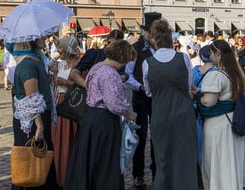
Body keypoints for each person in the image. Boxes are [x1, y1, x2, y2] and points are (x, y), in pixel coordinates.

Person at [65, 39, 138, 189]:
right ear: (121, 58)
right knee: (105, 162)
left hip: (90, 118)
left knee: (91, 160)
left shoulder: (97, 67)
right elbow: (114, 104)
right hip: (103, 121)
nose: (124, 65)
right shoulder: (110, 74)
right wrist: (129, 113)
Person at [143, 18, 197, 190]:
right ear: (170, 38)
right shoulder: (184, 58)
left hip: (160, 115)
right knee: (185, 160)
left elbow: (149, 92)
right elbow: (188, 86)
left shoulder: (147, 63)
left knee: (163, 160)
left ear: (153, 39)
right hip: (183, 115)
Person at [199, 39, 245, 190]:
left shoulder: (216, 75)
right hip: (233, 121)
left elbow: (209, 102)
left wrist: (198, 96)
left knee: (220, 162)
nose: (210, 57)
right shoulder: (236, 74)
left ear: (217, 54)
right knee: (232, 160)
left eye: (211, 53)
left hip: (219, 125)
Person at [11, 36, 59, 190]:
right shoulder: (27, 64)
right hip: (32, 121)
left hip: (39, 116)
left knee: (42, 161)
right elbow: (31, 97)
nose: (44, 38)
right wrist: (39, 126)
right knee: (31, 164)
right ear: (28, 41)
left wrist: (51, 75)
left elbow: (42, 90)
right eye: (38, 37)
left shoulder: (37, 60)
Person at [131, 12, 160, 189]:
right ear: (147, 32)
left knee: (157, 134)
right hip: (141, 97)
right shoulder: (136, 48)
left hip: (157, 97)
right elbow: (128, 72)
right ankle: (138, 174)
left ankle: (157, 172)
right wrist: (139, 86)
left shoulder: (162, 47)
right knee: (140, 136)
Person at [50, 35, 83, 187]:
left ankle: (70, 176)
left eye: (61, 47)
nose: (58, 50)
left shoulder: (79, 65)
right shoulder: (59, 64)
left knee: (69, 140)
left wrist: (64, 82)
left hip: (71, 104)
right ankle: (59, 175)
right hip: (58, 102)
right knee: (58, 141)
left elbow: (83, 88)